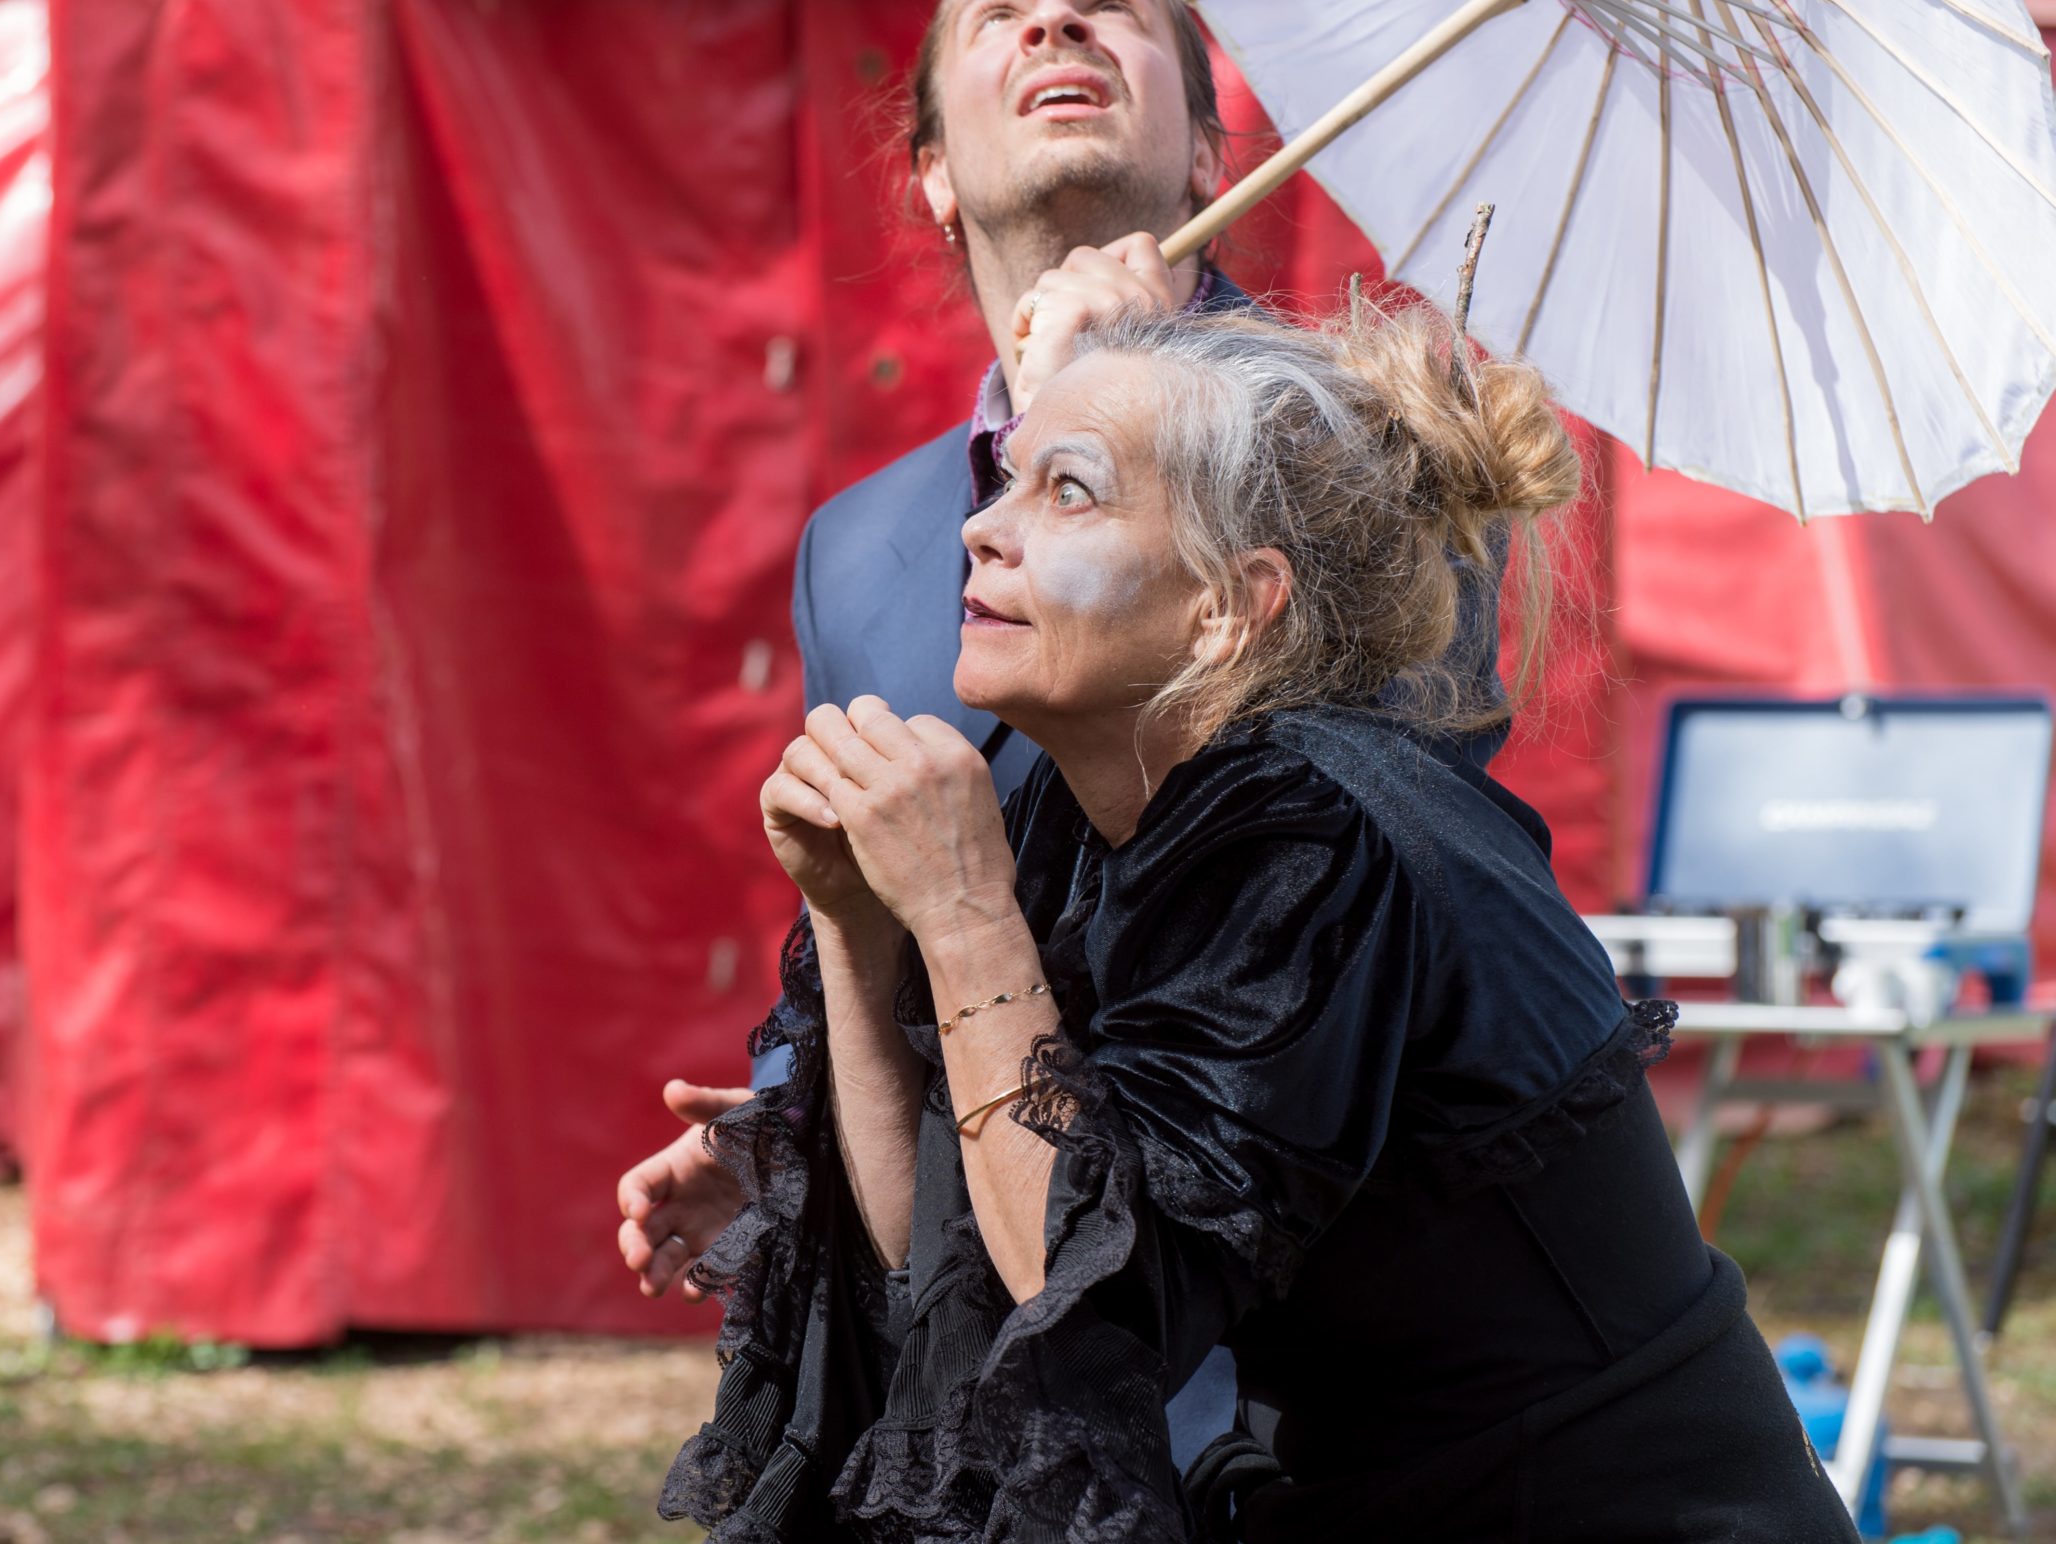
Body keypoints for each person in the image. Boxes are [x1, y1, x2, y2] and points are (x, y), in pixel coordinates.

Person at [660, 303, 1860, 1541]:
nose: (981, 527)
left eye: (1067, 494)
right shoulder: (1096, 822)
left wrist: (961, 915)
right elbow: (951, 1261)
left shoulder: (1314, 825)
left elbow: (1095, 1298)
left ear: (1232, 607)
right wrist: (858, 928)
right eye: (1006, 481)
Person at [618, 0, 1274, 1309]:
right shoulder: (855, 550)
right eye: (1002, 14)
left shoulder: (1361, 446)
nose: (1056, 26)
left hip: (1273, 1244)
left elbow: (1334, 832)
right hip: (997, 1274)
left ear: (1209, 153)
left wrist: (1103, 407)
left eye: (1114, 8)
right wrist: (792, 1130)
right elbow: (882, 900)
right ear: (930, 174)